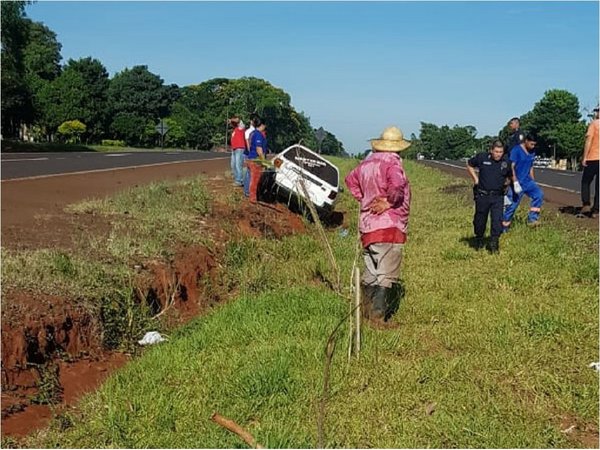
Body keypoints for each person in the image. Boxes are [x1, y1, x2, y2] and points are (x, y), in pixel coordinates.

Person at [345, 126, 411, 325]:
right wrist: (389, 202)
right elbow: (397, 186)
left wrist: (364, 199)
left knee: (370, 269)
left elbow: (350, 180)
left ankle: (364, 312)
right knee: (386, 272)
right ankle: (377, 317)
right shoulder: (392, 163)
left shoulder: (366, 163)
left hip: (368, 226)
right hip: (389, 224)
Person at [466, 140, 511, 253]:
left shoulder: (506, 162)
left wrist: (508, 184)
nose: (498, 154)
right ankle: (479, 238)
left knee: (497, 220)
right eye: (496, 151)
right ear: (491, 150)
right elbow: (469, 164)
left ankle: (494, 243)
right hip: (483, 195)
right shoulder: (482, 157)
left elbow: (510, 175)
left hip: (497, 197)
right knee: (480, 220)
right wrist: (476, 179)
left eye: (501, 152)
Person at [502, 133, 544, 230]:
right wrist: (515, 181)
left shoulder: (532, 151)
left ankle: (532, 219)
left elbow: (531, 166)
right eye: (531, 144)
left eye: (534, 145)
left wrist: (533, 180)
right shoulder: (516, 150)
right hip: (517, 182)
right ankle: (504, 227)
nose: (533, 146)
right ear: (526, 141)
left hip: (527, 181)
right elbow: (511, 166)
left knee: (539, 194)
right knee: (511, 206)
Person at [577, 106, 599, 218]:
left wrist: (584, 157)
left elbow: (588, 140)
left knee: (586, 181)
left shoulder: (594, 124)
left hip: (593, 157)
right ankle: (596, 210)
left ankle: (586, 204)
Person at [243, 118, 267, 203]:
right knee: (255, 179)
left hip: (250, 158)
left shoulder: (252, 133)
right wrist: (263, 161)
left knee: (249, 177)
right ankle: (252, 198)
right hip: (255, 160)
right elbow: (259, 149)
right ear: (262, 125)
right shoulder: (258, 135)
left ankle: (247, 193)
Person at [229, 116, 246, 187]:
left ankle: (239, 180)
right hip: (234, 149)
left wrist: (231, 120)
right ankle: (237, 179)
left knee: (238, 165)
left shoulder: (241, 127)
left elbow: (238, 120)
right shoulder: (235, 129)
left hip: (240, 148)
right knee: (233, 165)